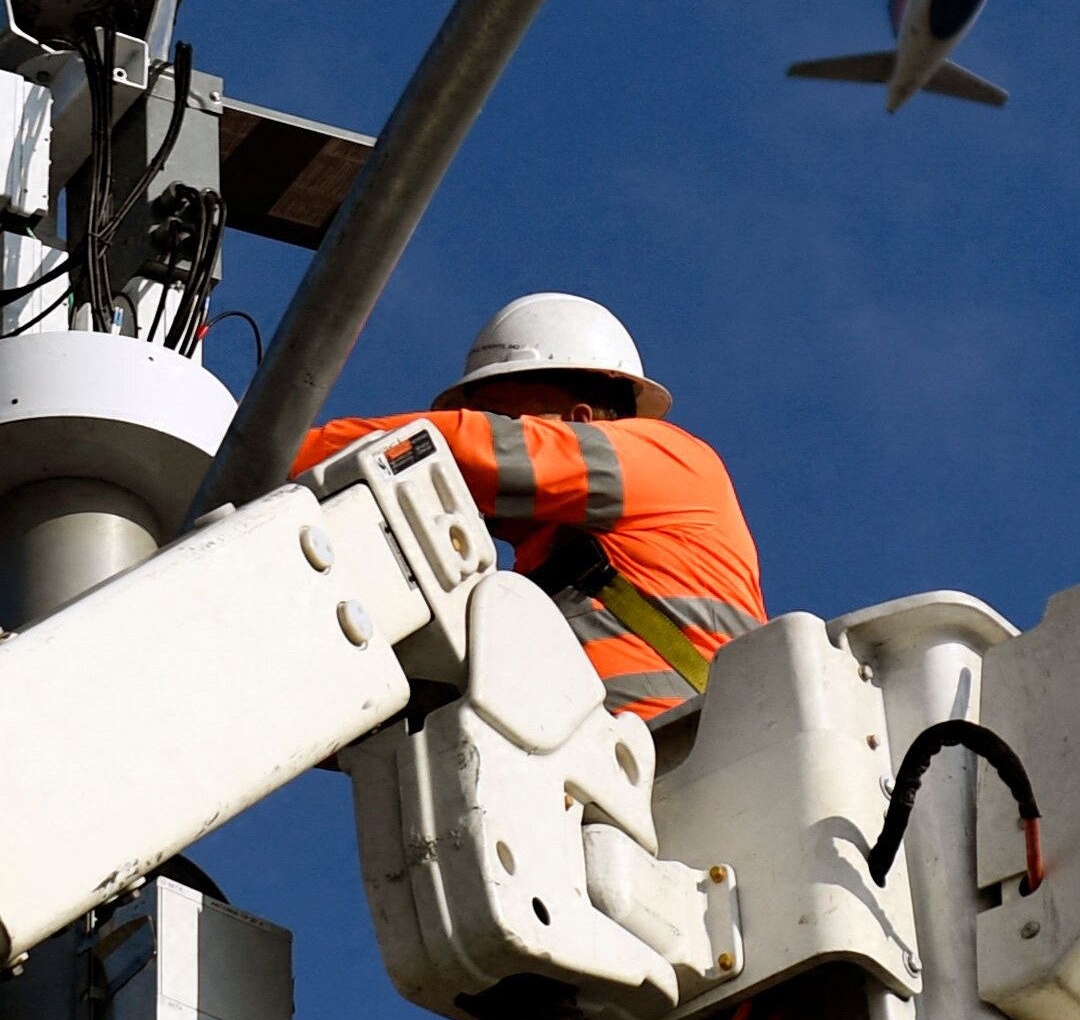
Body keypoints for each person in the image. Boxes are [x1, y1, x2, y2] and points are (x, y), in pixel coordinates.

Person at [293, 293, 766, 718]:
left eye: (503, 417)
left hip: (688, 752)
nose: (489, 427)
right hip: (619, 788)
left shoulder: (670, 459)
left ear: (579, 422)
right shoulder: (530, 590)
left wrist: (274, 457)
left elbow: (460, 446)